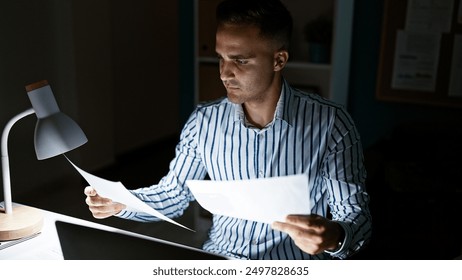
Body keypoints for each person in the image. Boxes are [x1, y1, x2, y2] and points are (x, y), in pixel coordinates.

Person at [84, 0, 371, 260]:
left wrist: (334, 237)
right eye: (222, 57)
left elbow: (356, 218)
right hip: (220, 260)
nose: (224, 73)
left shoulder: (332, 122)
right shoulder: (203, 122)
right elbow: (173, 194)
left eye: (240, 60)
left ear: (278, 60)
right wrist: (120, 203)